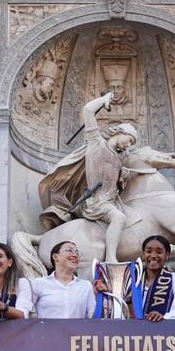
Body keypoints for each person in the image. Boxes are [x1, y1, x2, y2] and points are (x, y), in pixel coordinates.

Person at [39, 92, 137, 262]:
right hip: (96, 202)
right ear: (119, 132)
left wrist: (123, 178)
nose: (129, 145)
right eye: (129, 140)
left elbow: (114, 186)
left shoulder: (118, 158)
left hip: (111, 202)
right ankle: (111, 258)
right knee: (119, 218)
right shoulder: (96, 143)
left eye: (131, 144)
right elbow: (88, 111)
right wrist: (103, 100)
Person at [93, 235, 175, 321]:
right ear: (143, 254)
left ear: (167, 255)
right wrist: (106, 292)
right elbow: (117, 307)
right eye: (148, 251)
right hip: (132, 334)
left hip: (163, 333)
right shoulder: (130, 278)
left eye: (159, 252)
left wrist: (163, 317)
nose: (153, 255)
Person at [28, 241, 95, 319]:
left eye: (77, 253)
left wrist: (101, 296)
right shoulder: (39, 283)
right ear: (55, 257)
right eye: (69, 250)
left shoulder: (86, 286)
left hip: (76, 331)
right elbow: (24, 310)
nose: (75, 255)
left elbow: (93, 317)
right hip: (47, 331)